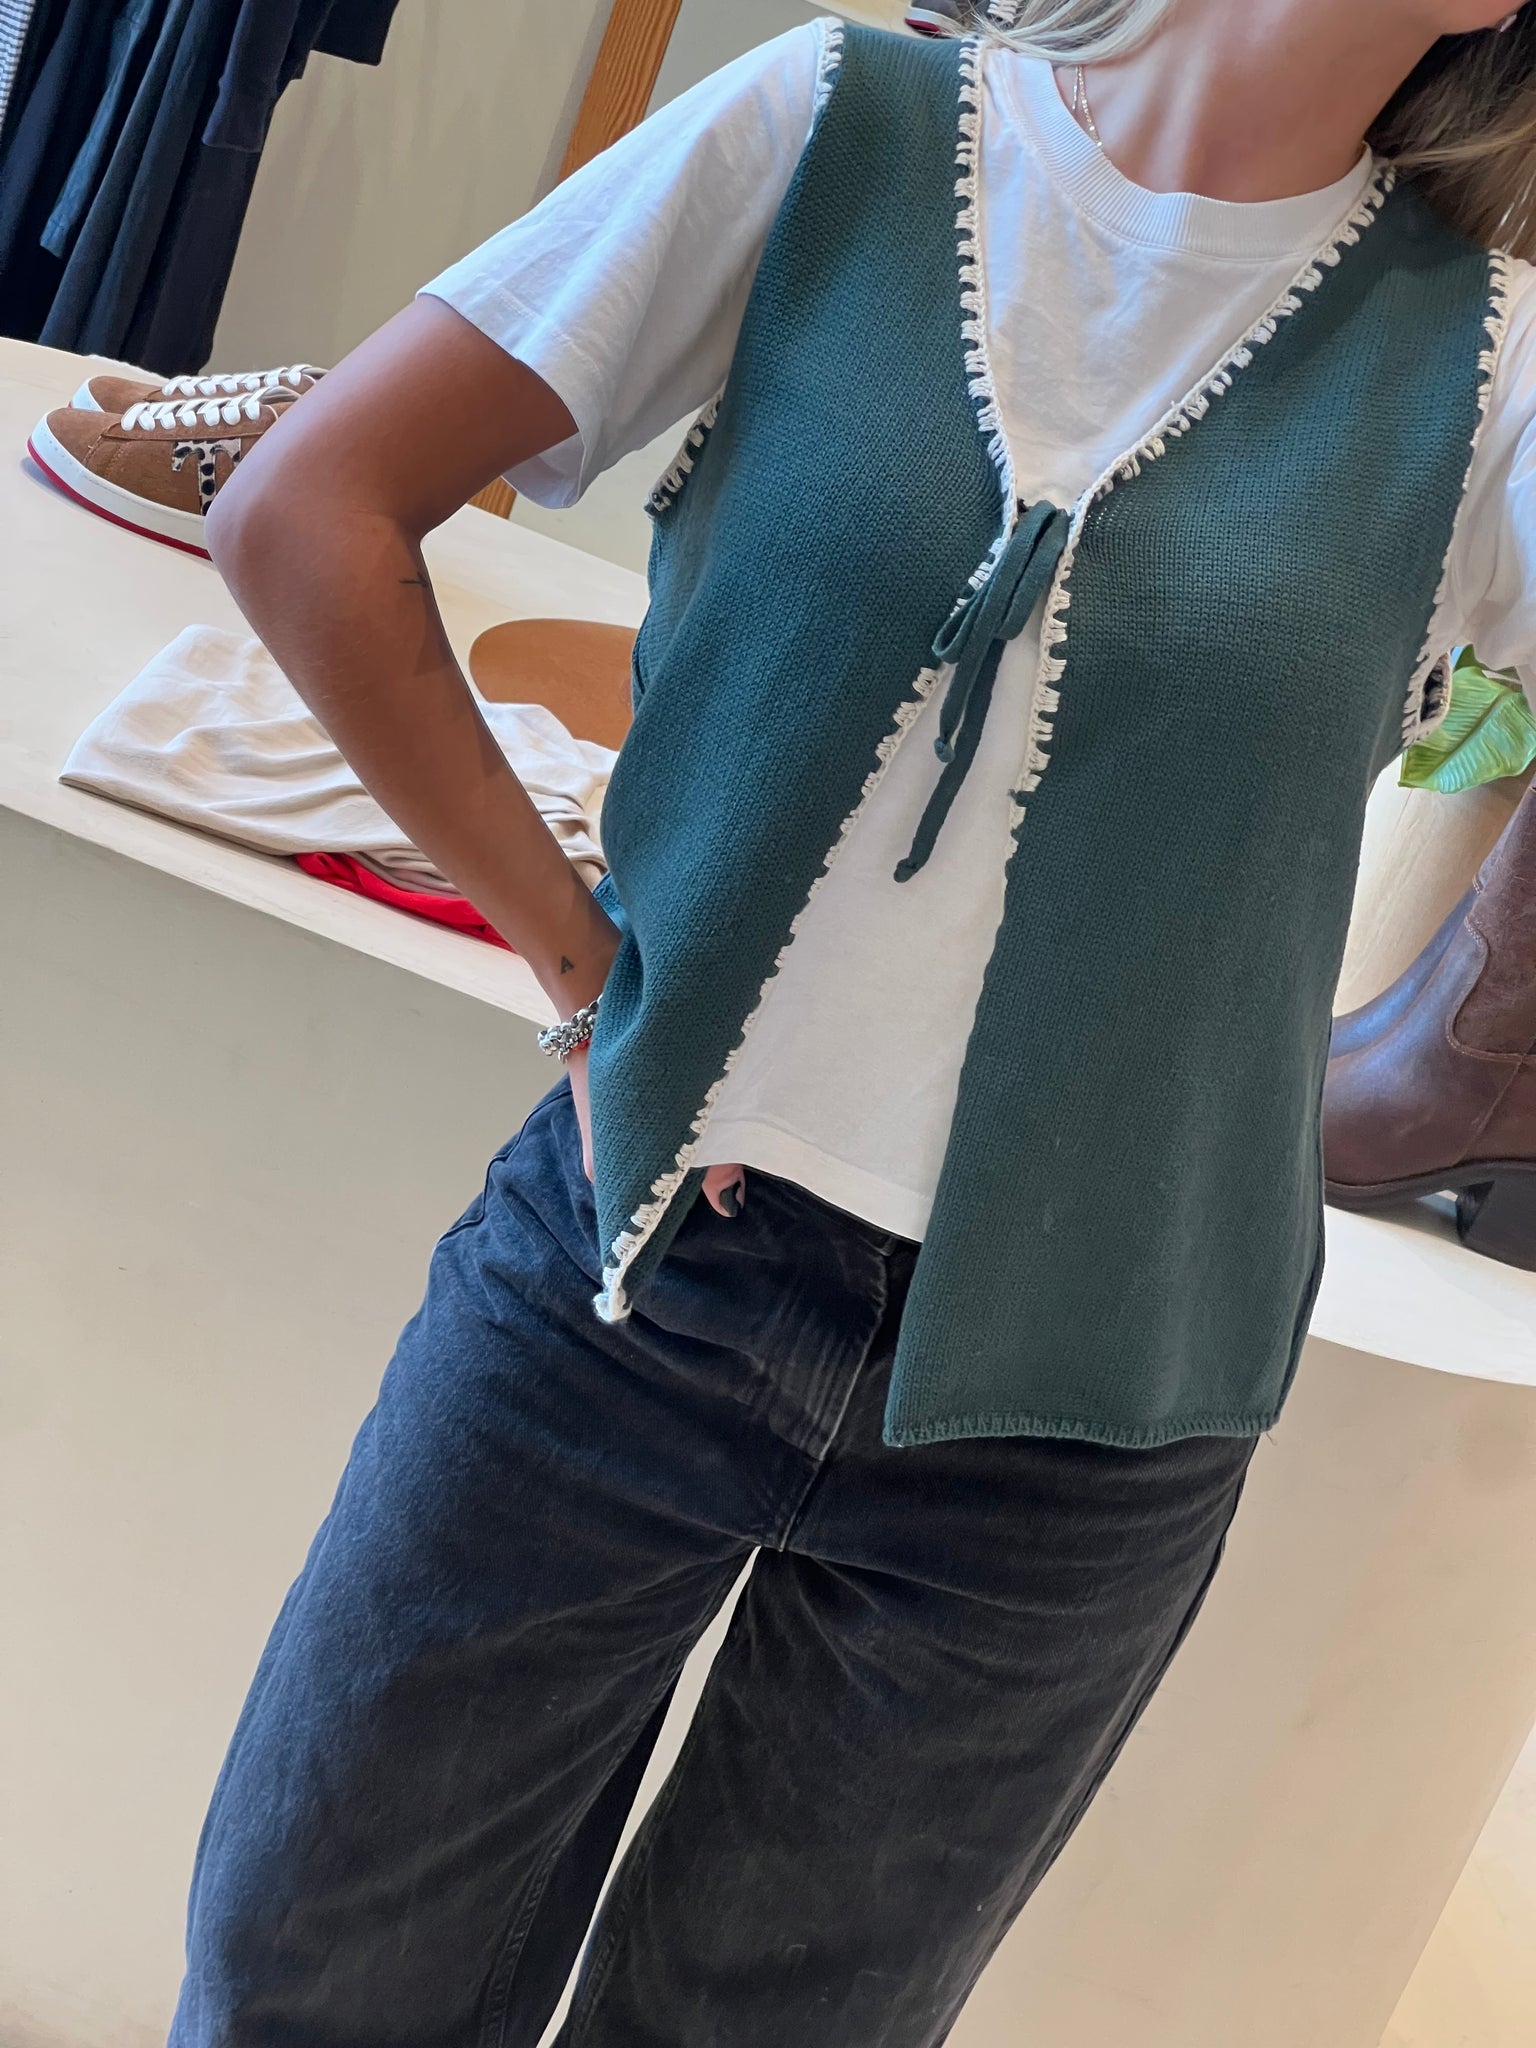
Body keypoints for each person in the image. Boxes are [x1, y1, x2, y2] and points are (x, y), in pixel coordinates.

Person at [169, 4, 1536, 2043]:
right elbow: (309, 510)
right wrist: (580, 963)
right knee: (310, 1983)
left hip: (1090, 1412)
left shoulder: (1492, 366)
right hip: (635, 1280)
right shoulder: (838, 124)